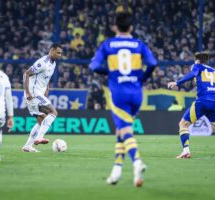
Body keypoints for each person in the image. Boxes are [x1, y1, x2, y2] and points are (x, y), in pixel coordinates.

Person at [89, 12, 157, 187]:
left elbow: (94, 66)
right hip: (136, 94)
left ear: (114, 27)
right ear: (131, 27)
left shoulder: (108, 44)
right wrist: (142, 78)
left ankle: (137, 162)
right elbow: (153, 64)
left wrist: (111, 73)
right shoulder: (138, 44)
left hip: (118, 94)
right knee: (121, 131)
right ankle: (116, 171)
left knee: (125, 130)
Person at [168, 52, 215, 159]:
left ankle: (186, 151)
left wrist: (177, 83)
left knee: (183, 124)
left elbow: (192, 74)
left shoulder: (197, 66)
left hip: (203, 100)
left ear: (197, 60)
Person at [22, 43, 63, 152]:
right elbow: (26, 74)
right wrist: (27, 92)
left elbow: (46, 77)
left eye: (61, 53)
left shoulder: (53, 63)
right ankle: (40, 137)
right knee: (53, 112)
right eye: (58, 53)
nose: (60, 55)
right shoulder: (42, 63)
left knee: (42, 120)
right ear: (52, 51)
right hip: (33, 93)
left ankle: (27, 146)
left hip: (39, 92)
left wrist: (47, 88)